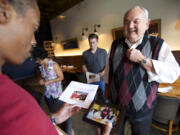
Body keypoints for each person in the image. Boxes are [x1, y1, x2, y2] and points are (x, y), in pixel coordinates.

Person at [0, 0, 112, 134]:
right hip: (66, 87)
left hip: (93, 80)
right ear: (3, 13)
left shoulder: (11, 92)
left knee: (103, 99)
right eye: (33, 28)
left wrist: (53, 118)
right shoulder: (11, 98)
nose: (34, 41)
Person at [105, 6, 180, 135]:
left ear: (147, 24)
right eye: (126, 22)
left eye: (136, 21)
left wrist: (142, 60)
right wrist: (107, 93)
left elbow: (174, 72)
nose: (130, 25)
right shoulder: (115, 45)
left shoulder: (158, 44)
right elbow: (108, 71)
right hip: (116, 106)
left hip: (142, 110)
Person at [32, 47, 73, 135]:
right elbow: (43, 77)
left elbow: (61, 77)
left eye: (36, 59)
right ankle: (57, 130)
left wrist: (49, 81)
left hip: (57, 93)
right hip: (48, 94)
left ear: (39, 58)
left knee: (62, 112)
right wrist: (41, 80)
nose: (35, 61)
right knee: (53, 112)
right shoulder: (42, 67)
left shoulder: (54, 65)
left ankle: (68, 131)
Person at [82, 33, 109, 103]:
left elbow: (108, 64)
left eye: (93, 42)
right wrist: (86, 73)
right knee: (92, 97)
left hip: (102, 78)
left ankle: (104, 103)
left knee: (104, 95)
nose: (92, 45)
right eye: (90, 43)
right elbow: (83, 65)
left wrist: (104, 71)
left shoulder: (103, 51)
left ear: (97, 41)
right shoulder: (85, 53)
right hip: (91, 78)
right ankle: (94, 106)